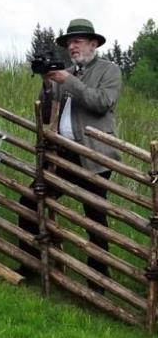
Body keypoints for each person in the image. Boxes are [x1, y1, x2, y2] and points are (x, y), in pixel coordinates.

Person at [18, 18, 122, 291]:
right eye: (69, 43)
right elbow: (46, 114)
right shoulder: (66, 73)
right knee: (30, 200)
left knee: (95, 218)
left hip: (94, 156)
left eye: (77, 41)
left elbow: (102, 103)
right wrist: (47, 84)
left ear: (93, 44)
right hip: (63, 154)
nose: (72, 47)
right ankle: (30, 265)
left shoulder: (109, 70)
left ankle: (98, 282)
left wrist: (70, 81)